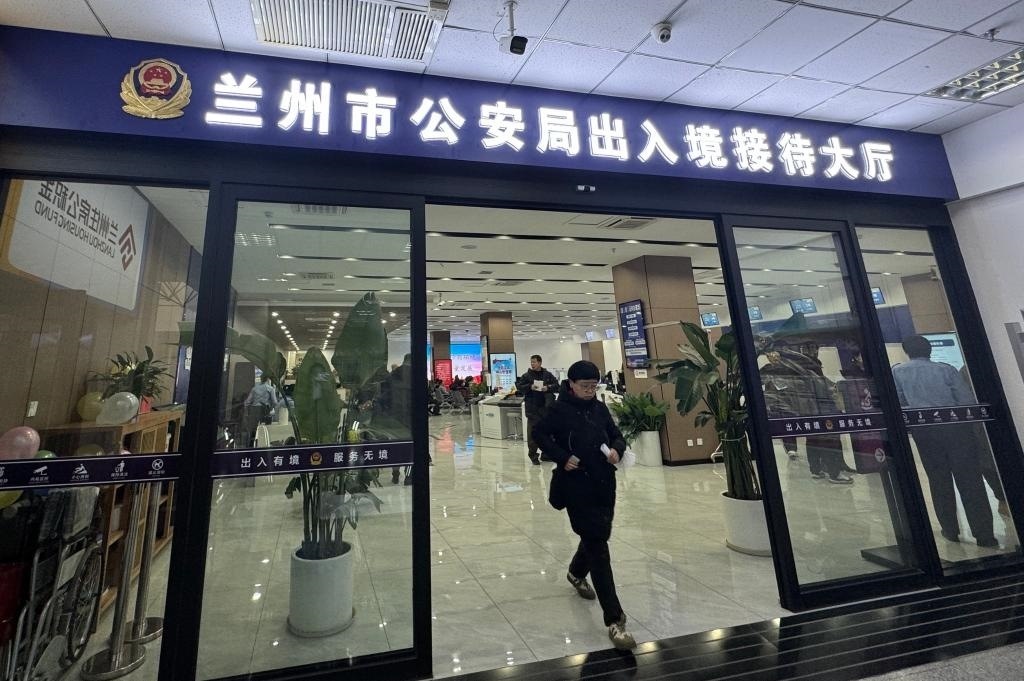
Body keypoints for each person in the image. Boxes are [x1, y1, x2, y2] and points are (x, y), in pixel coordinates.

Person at [533, 360, 636, 650]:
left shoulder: (599, 408)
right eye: (585, 386)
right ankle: (615, 620)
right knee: (598, 547)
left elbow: (616, 435)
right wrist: (562, 456)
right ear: (571, 385)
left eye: (594, 386)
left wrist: (616, 450)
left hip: (604, 483)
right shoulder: (558, 409)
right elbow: (539, 434)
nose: (590, 391)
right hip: (575, 485)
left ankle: (576, 573)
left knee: (597, 536)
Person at [893, 335, 998, 547]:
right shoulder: (946, 369)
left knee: (938, 479)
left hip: (925, 432)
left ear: (907, 351)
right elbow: (966, 401)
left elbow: (899, 402)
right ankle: (984, 534)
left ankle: (950, 530)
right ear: (929, 350)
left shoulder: (898, 372)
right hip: (957, 430)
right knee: (970, 479)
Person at [515, 354, 559, 465]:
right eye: (531, 362)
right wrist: (530, 387)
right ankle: (533, 456)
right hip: (532, 409)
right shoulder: (526, 376)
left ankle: (546, 454)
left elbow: (557, 385)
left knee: (547, 433)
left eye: (534, 362)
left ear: (540, 363)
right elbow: (519, 387)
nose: (532, 364)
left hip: (546, 408)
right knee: (532, 434)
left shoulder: (547, 375)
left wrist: (547, 387)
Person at [242, 375, 277, 447]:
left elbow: (247, 402)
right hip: (265, 411)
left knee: (253, 430)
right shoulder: (270, 389)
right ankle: (265, 446)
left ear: (261, 379)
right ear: (268, 379)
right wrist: (270, 408)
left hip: (254, 410)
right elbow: (275, 402)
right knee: (267, 429)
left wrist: (246, 411)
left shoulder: (254, 389)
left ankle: (250, 446)